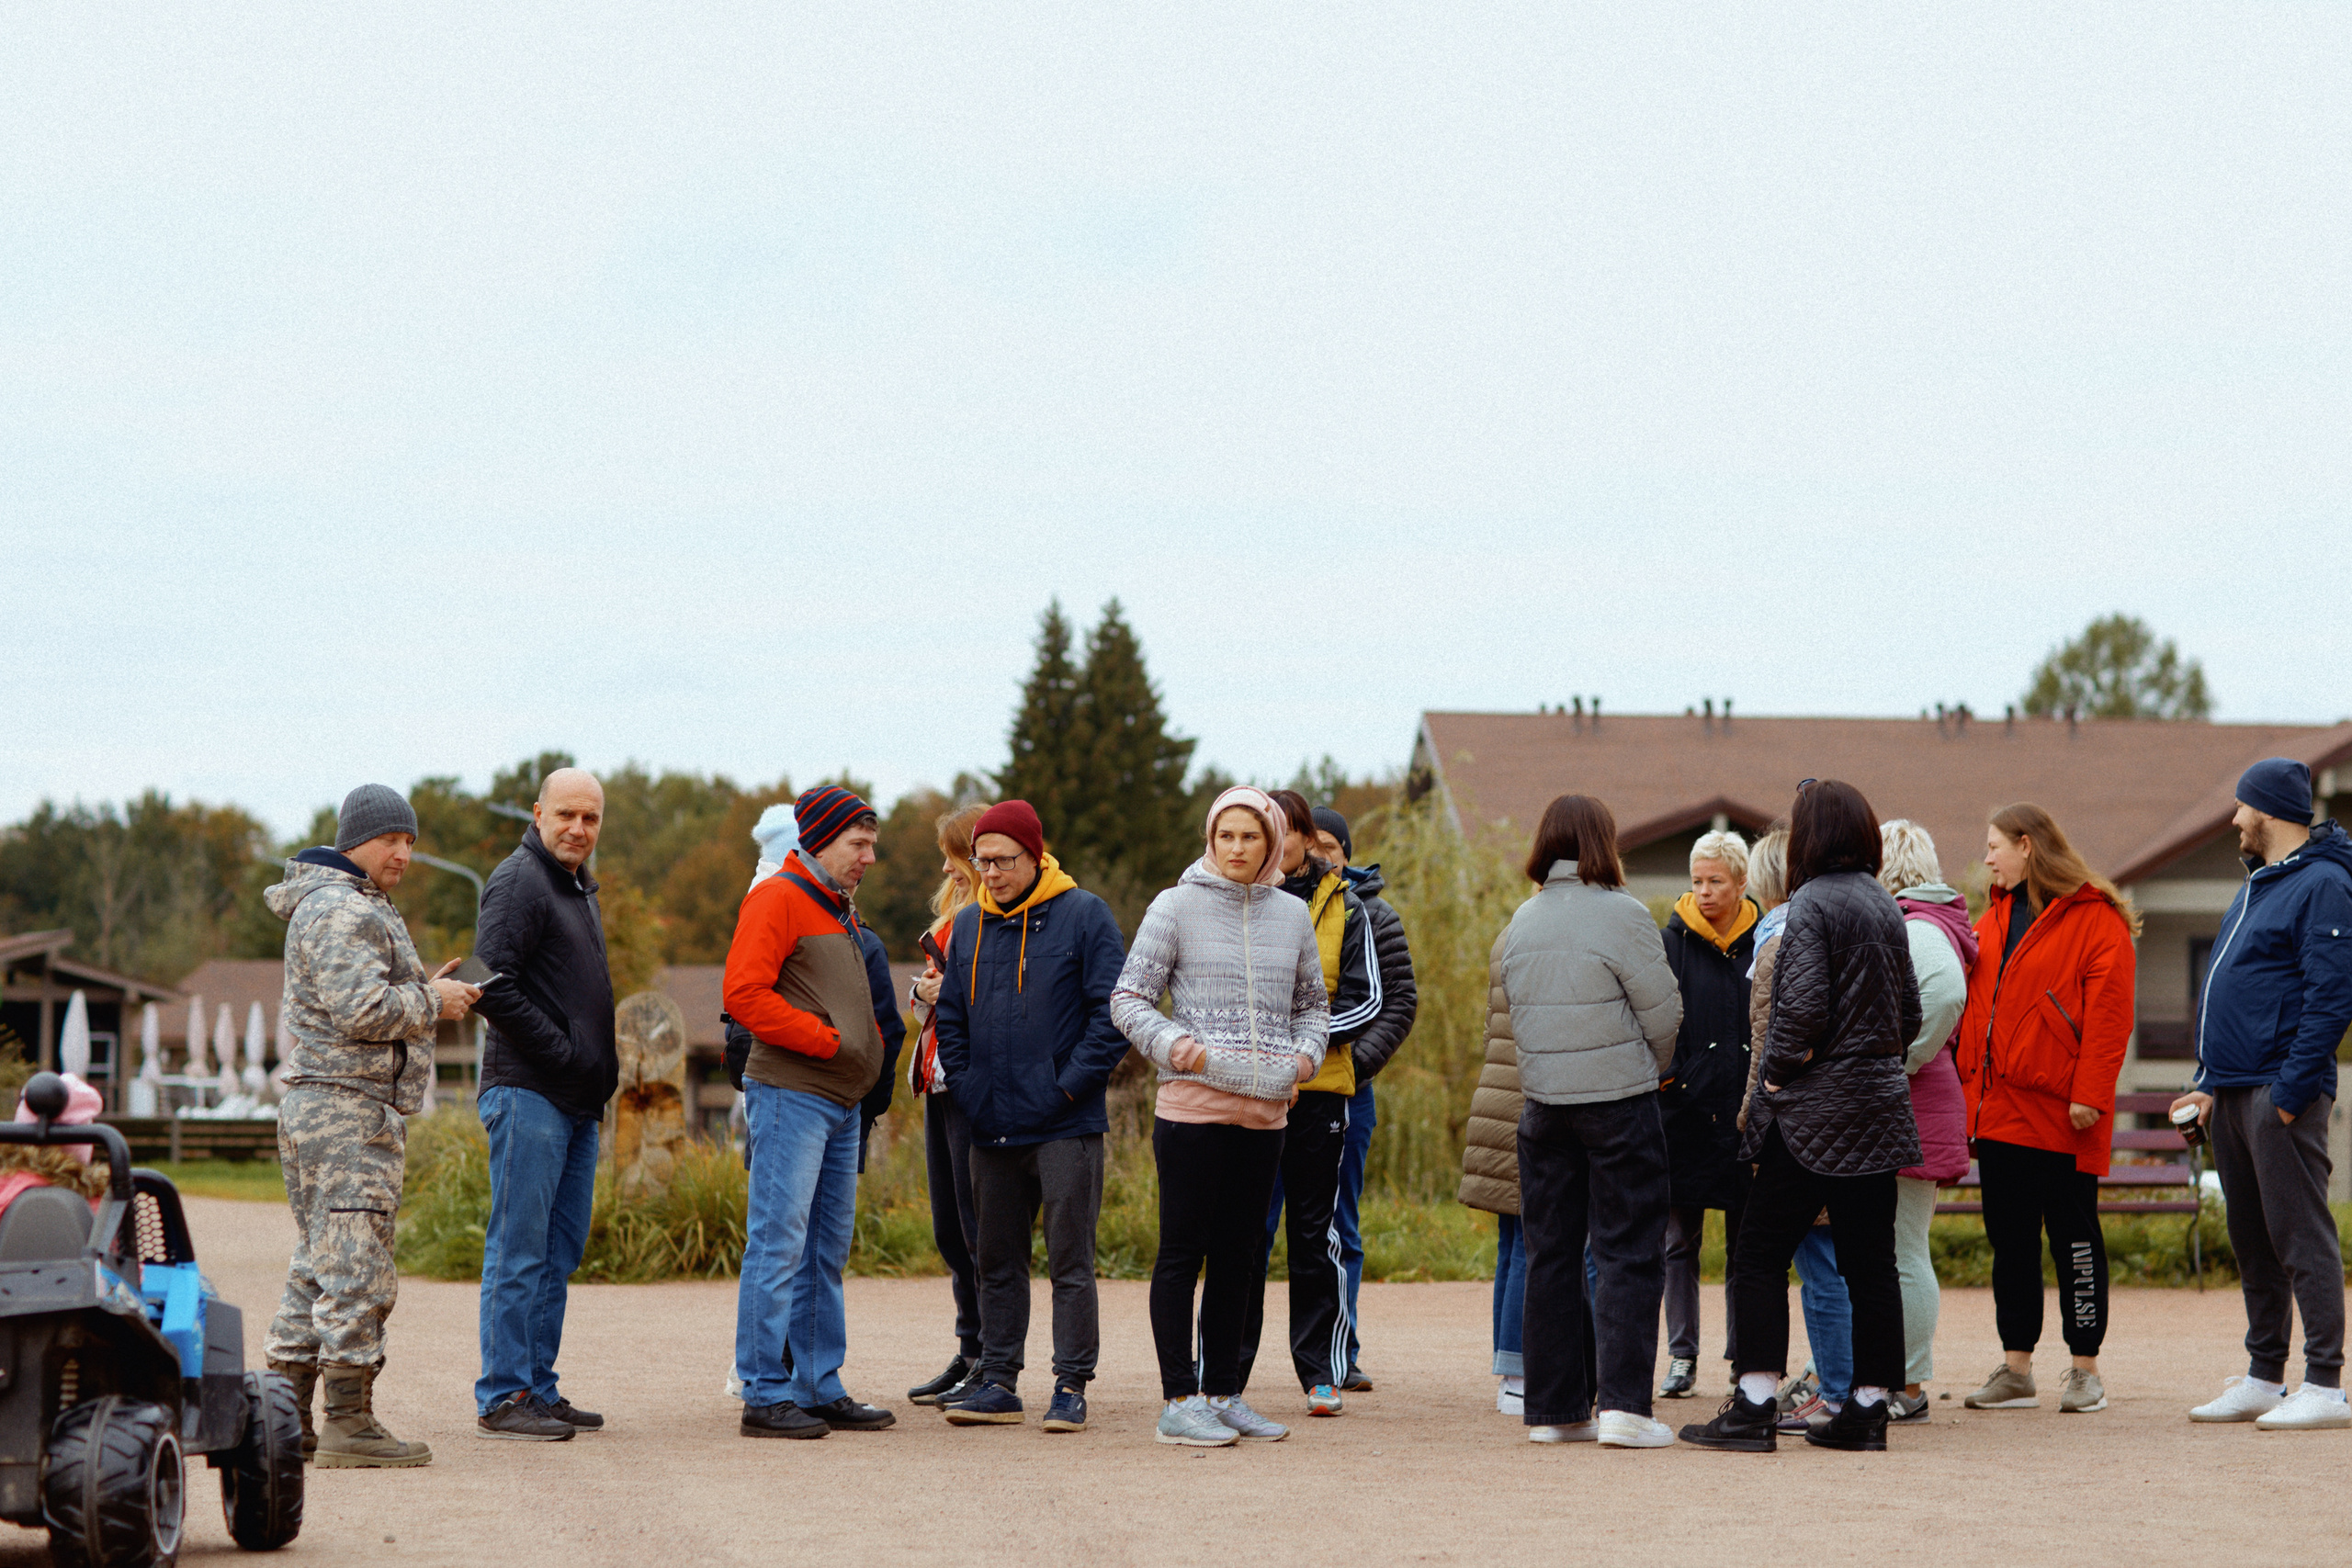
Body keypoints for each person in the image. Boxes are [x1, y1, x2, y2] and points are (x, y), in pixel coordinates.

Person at [1686, 779, 1920, 1455]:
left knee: (1757, 1254)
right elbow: (1908, 1013)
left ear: (1811, 838)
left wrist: (1779, 1076)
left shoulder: (1810, 904)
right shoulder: (1884, 904)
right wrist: (1872, 1058)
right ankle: (1868, 1410)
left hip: (1812, 1114)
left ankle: (1755, 1404)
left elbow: (1800, 1014)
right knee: (1872, 1262)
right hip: (1877, 1108)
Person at [263, 784, 479, 1468]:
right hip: (347, 1110)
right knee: (356, 1266)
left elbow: (359, 999)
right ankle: (348, 1423)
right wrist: (430, 999)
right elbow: (361, 1012)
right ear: (356, 838)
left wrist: (424, 987)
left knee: (317, 1262)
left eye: (411, 841)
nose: (404, 853)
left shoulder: (338, 904)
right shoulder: (340, 907)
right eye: (392, 838)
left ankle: (282, 1414)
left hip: (328, 1104)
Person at [1112, 786, 1328, 1449]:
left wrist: (1303, 1061)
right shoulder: (1174, 906)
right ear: (1211, 838)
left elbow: (1313, 1005)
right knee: (1183, 1251)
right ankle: (1179, 1399)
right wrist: (1181, 1047)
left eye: (1250, 837)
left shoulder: (1292, 916)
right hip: (1192, 1109)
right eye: (1226, 835)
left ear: (1271, 843)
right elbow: (1128, 998)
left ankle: (1224, 1392)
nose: (1237, 848)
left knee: (1243, 1254)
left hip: (1266, 1114)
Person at [931, 800, 1129, 1434]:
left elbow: (1112, 1015)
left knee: (1070, 1259)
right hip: (990, 1123)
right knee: (996, 1259)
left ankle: (1070, 1384)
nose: (990, 872)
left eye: (1003, 860)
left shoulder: (1085, 915)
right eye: (982, 861)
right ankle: (997, 1380)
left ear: (1035, 855)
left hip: (1066, 1123)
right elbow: (953, 1020)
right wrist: (967, 1087)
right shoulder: (967, 927)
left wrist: (1066, 1087)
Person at [1500, 793, 1682, 1450]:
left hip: (1544, 1108)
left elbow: (1513, 1017)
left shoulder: (1521, 920)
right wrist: (1651, 1069)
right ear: (1603, 841)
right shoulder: (1625, 913)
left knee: (1550, 1255)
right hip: (1620, 1105)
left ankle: (1555, 1411)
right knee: (1628, 1250)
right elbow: (1664, 1014)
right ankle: (1626, 1407)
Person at [2177, 759, 2352, 1430]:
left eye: (2242, 806)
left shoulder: (2324, 884)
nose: (2234, 818)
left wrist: (2288, 1092)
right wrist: (2206, 1085)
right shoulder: (2260, 884)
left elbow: (2332, 995)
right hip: (2232, 1089)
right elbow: (2232, 987)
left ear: (2271, 812)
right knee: (2253, 1238)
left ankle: (2327, 1383)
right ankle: (2263, 1374)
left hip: (2279, 1090)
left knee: (2300, 1235)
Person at [723, 784, 903, 1439]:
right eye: (860, 843)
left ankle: (817, 1384)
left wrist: (864, 1056)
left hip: (841, 1102)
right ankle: (763, 1390)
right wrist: (827, 1041)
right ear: (821, 839)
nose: (869, 856)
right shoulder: (776, 896)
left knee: (824, 1250)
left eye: (871, 843)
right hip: (793, 1092)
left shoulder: (837, 906)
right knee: (778, 1243)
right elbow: (743, 992)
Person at [1952, 802, 2137, 1416]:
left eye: (1994, 845)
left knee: (2075, 1240)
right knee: (2009, 1241)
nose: (1987, 858)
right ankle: (2016, 1368)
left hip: (2065, 1113)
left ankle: (2085, 1371)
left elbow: (2109, 1018)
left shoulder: (2097, 918)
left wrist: (2090, 1092)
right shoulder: (1991, 919)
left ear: (2027, 845)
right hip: (1999, 1111)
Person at [469, 767, 617, 1441]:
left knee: (558, 1250)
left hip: (575, 1101)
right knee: (519, 1246)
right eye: (565, 815)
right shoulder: (519, 879)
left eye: (589, 818)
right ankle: (505, 1393)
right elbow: (488, 982)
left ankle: (539, 1384)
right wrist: (562, 1051)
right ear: (538, 813)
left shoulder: (578, 887)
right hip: (529, 1091)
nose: (577, 828)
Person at [1232, 789, 1384, 1416]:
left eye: (1291, 830)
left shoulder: (1348, 907)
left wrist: (1304, 1050)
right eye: (1271, 828)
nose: (1281, 839)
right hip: (1246, 1091)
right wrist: (1264, 1056)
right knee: (1243, 1232)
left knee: (1314, 1233)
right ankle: (1226, 1372)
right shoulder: (1235, 902)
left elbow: (1370, 998)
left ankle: (1319, 1371)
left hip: (1320, 1094)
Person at [1737, 825, 1854, 1435]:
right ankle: (1848, 1385)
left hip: (1796, 1125)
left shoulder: (1778, 939)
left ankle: (1833, 1388)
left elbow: (1766, 1041)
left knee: (1809, 1261)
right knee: (1837, 1259)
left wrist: (1752, 1119)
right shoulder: (1841, 929)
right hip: (1847, 1118)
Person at [1311, 807, 1418, 1392]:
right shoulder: (1281, 906)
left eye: (1332, 845)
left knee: (1338, 1227)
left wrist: (1354, 1065)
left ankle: (1340, 1352)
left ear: (1347, 853)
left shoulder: (1373, 914)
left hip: (1348, 1093)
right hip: (1271, 1091)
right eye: (1314, 845)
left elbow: (1399, 1001)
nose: (1324, 855)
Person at [1656, 829, 1758, 1401]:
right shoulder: (1671, 941)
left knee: (1746, 1248)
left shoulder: (1765, 940)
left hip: (1745, 1114)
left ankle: (1746, 1358)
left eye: (1715, 881)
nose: (1704, 892)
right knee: (1678, 1244)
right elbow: (1655, 1012)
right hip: (1686, 1112)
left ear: (1741, 883)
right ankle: (1682, 1356)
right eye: (1697, 881)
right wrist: (1675, 1075)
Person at [1877, 819, 1975, 1421]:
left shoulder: (1916, 925)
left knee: (1903, 1248)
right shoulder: (1931, 920)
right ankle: (1899, 1373)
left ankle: (1909, 1382)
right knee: (1897, 1246)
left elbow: (1943, 994)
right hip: (1919, 1102)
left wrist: (1900, 1060)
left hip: (1911, 1103)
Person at [903, 804, 989, 1410]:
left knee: (978, 1226)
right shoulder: (951, 917)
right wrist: (922, 991)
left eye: (952, 853)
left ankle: (991, 1357)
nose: (943, 865)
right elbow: (926, 1009)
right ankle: (970, 1347)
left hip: (972, 1086)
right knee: (950, 1228)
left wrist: (946, 990)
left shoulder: (995, 918)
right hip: (937, 1083)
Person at [1459, 921, 1526, 1414]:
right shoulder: (1551, 930)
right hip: (1526, 1099)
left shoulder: (1508, 930)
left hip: (1497, 1098)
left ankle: (1508, 1364)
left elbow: (1491, 1027)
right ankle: (1519, 1372)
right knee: (1530, 1240)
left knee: (1513, 1241)